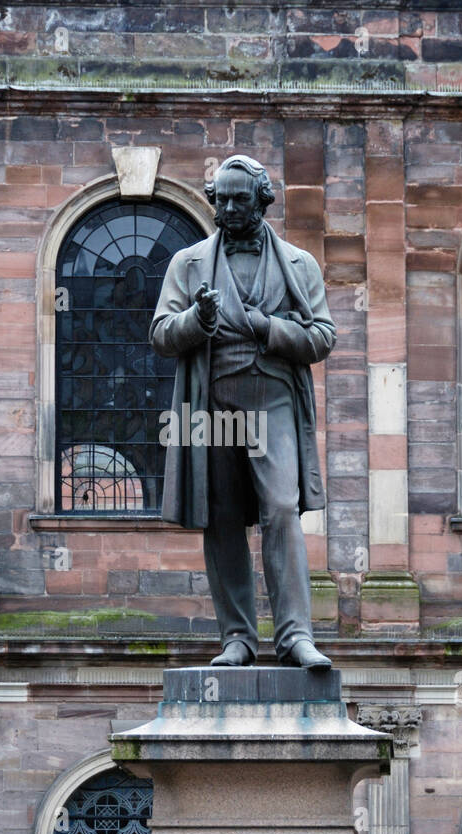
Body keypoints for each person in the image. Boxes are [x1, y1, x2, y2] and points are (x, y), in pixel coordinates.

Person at [150, 155, 335, 670]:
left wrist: (268, 327)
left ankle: (296, 636)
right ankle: (237, 638)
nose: (229, 208)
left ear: (262, 200)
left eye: (240, 199)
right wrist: (197, 319)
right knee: (223, 518)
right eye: (222, 199)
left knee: (280, 509)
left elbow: (323, 336)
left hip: (272, 398)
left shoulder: (299, 264)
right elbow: (161, 334)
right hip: (211, 399)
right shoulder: (187, 263)